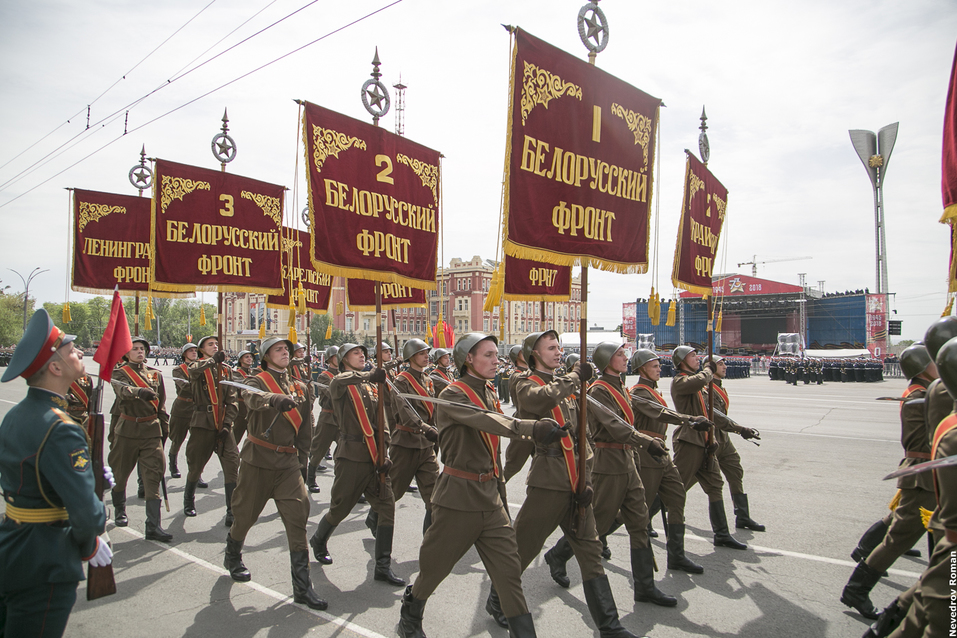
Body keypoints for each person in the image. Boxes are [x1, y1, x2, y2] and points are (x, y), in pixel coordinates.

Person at [397, 333, 566, 637]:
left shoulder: (488, 390)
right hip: (458, 498)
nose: (495, 360)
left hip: (489, 497)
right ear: (468, 360)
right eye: (487, 355)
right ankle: (412, 609)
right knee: (434, 570)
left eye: (495, 354)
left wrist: (500, 489)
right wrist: (532, 427)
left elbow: (493, 448)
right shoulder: (452, 394)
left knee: (509, 573)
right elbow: (489, 422)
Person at [502, 331, 639, 637]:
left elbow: (584, 438)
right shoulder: (524, 382)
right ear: (534, 354)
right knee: (523, 549)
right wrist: (576, 375)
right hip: (548, 483)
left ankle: (609, 625)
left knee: (591, 553)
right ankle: (498, 601)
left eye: (559, 347)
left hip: (577, 481)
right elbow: (539, 400)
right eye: (551, 348)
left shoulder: (569, 385)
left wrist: (587, 480)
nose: (558, 351)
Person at [0, 309, 111, 637]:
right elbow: (87, 514)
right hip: (46, 559)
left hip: (13, 543)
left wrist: (92, 475)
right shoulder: (61, 428)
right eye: (71, 349)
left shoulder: (17, 414)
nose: (80, 353)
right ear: (55, 367)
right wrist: (90, 542)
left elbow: (28, 477)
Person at [545, 341, 676, 607]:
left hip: (628, 460)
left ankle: (645, 586)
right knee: (599, 525)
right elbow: (614, 426)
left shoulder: (620, 388)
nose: (625, 357)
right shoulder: (598, 390)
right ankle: (559, 554)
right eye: (619, 354)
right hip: (609, 463)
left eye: (624, 353)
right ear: (606, 360)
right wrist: (644, 441)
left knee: (639, 523)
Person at [224, 337, 326, 610]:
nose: (284, 353)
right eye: (278, 349)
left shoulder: (300, 387)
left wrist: (304, 464)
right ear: (266, 356)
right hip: (258, 461)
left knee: (297, 520)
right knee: (244, 516)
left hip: (288, 464)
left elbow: (305, 430)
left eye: (286, 350)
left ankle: (302, 588)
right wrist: (274, 400)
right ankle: (232, 554)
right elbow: (252, 399)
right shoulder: (256, 381)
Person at [840, 344, 939, 619]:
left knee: (898, 527)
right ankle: (857, 589)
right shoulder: (922, 397)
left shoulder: (922, 393)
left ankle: (863, 555)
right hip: (923, 476)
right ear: (922, 368)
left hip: (927, 474)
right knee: (897, 537)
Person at [308, 343, 405, 587]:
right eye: (355, 353)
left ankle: (382, 565)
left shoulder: (372, 385)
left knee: (386, 505)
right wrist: (370, 374)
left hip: (374, 456)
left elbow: (381, 421)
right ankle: (319, 539)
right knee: (340, 508)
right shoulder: (339, 383)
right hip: (351, 455)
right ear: (343, 360)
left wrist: (385, 452)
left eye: (363, 353)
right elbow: (341, 382)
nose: (362, 355)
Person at [629, 348, 708, 574]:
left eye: (658, 365)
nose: (659, 369)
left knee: (676, 496)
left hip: (660, 450)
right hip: (647, 451)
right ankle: (567, 550)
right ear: (642, 369)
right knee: (635, 508)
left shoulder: (652, 390)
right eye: (654, 366)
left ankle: (677, 556)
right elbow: (660, 413)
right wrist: (690, 420)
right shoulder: (638, 392)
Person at [670, 345, 755, 551]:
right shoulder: (681, 381)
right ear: (682, 361)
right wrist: (709, 369)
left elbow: (712, 413)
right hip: (690, 441)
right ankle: (647, 521)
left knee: (715, 485)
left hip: (706, 441)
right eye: (693, 356)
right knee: (675, 487)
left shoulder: (700, 384)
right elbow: (700, 379)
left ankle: (722, 534)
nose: (697, 359)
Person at [109, 337, 172, 542]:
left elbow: (161, 404)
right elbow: (122, 390)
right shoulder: (120, 373)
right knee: (120, 473)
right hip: (128, 430)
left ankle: (153, 526)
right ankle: (120, 510)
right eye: (135, 349)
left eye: (142, 349)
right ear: (127, 353)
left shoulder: (155, 374)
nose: (139, 352)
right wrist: (139, 392)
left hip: (151, 431)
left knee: (153, 477)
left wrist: (165, 428)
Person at [184, 336, 240, 524]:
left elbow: (232, 399)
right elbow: (192, 371)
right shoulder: (197, 366)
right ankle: (189, 500)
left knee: (232, 465)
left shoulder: (225, 370)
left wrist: (227, 424)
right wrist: (212, 361)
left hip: (223, 423)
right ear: (201, 350)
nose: (215, 346)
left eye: (216, 344)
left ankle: (232, 510)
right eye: (210, 345)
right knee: (196, 464)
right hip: (203, 423)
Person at [706, 355, 765, 532]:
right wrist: (740, 429)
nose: (725, 366)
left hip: (723, 437)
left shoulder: (719, 387)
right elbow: (717, 417)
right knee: (686, 480)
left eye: (724, 363)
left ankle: (742, 516)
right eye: (720, 364)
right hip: (711, 437)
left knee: (735, 471)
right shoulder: (706, 389)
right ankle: (652, 513)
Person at [388, 338, 440, 534]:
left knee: (434, 495)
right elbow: (405, 411)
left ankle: (430, 539)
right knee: (393, 491)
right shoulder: (400, 381)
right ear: (411, 357)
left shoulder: (427, 379)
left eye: (427, 353)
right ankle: (375, 517)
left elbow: (432, 409)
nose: (426, 356)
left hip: (426, 446)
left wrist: (435, 427)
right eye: (421, 353)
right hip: (406, 444)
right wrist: (424, 427)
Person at [307, 345, 340, 491]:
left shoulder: (345, 374)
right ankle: (311, 477)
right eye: (336, 357)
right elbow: (332, 395)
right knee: (318, 450)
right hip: (328, 418)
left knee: (346, 452)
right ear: (329, 359)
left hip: (342, 419)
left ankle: (345, 484)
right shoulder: (324, 376)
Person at [168, 343, 198, 479]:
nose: (194, 353)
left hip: (196, 408)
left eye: (195, 351)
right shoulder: (178, 370)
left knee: (196, 443)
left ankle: (195, 473)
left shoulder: (200, 368)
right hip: (181, 408)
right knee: (177, 439)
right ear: (184, 354)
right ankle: (172, 463)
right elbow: (185, 387)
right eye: (190, 351)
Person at [502, 344, 532, 483]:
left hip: (536, 423)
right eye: (522, 353)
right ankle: (496, 490)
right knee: (511, 466)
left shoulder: (529, 373)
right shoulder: (516, 375)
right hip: (523, 424)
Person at [231, 350, 260, 445]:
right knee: (235, 436)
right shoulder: (235, 373)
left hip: (252, 409)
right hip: (241, 410)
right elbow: (240, 384)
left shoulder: (254, 373)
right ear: (240, 360)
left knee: (253, 437)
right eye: (246, 357)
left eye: (250, 357)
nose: (249, 359)